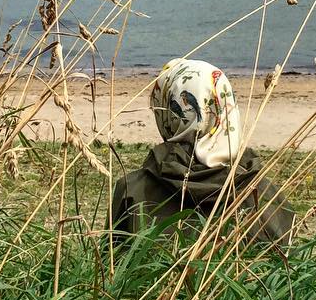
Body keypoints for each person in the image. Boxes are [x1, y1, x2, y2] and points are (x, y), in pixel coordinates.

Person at [111, 58, 294, 247]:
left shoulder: (131, 190)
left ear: (164, 111)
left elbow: (110, 266)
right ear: (226, 105)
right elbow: (285, 267)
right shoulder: (266, 195)